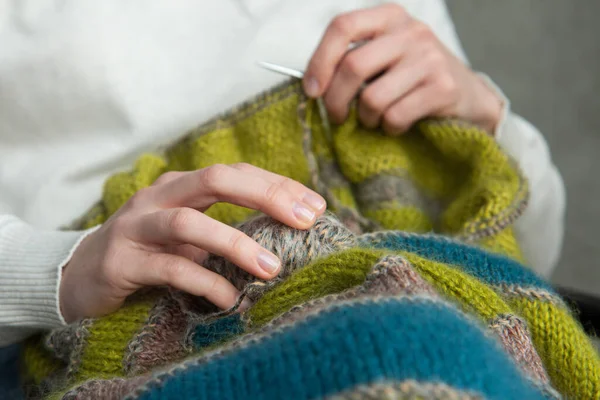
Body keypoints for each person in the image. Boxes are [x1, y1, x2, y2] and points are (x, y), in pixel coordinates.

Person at [0, 0, 564, 349]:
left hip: (436, 311)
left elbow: (534, 260)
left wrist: (487, 120)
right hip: (83, 328)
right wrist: (62, 270)